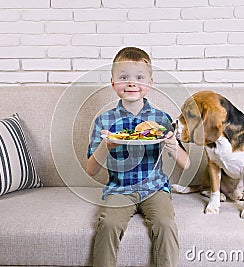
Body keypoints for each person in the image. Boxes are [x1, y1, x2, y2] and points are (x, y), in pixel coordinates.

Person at [86, 47, 190, 267]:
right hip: (120, 188)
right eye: (124, 77)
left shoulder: (161, 119)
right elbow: (91, 170)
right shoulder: (104, 122)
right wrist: (106, 145)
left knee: (165, 224)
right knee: (108, 225)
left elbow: (186, 163)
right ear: (113, 83)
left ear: (150, 83)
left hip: (155, 188)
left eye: (139, 78)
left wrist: (171, 145)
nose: (131, 83)